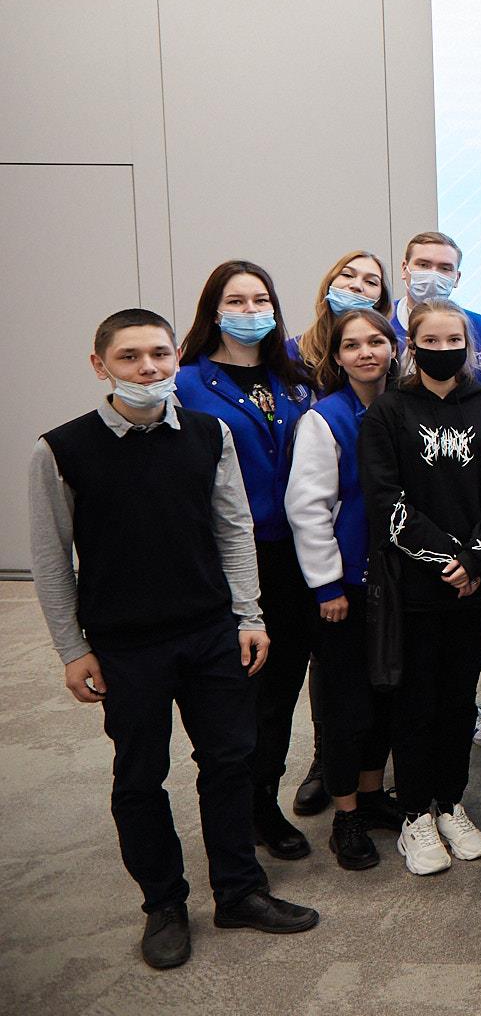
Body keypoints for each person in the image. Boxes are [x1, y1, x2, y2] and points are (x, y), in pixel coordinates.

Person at [28, 309, 321, 969]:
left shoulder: (209, 434)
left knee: (230, 762)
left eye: (159, 354)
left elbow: (233, 528)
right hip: (125, 645)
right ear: (99, 365)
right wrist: (73, 649)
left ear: (175, 358)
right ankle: (163, 904)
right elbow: (50, 560)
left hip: (210, 631)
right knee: (140, 776)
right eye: (129, 357)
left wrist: (249, 615)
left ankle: (239, 891)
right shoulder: (62, 450)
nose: (148, 369)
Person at [358, 298, 481, 876]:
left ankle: (451, 802)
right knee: (416, 702)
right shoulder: (388, 412)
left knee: (458, 699)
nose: (444, 349)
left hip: (474, 589)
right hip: (416, 589)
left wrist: (474, 561)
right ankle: (414, 814)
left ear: (469, 347)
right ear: (412, 345)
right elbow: (387, 501)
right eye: (432, 340)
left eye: (455, 341)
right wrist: (446, 560)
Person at [174, 260, 318, 861]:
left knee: (281, 688)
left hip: (294, 554)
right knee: (237, 691)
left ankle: (264, 801)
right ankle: (235, 809)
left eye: (261, 300)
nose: (250, 311)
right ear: (213, 310)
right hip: (228, 555)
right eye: (236, 301)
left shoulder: (297, 379)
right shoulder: (185, 382)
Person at [286, 307, 407, 869]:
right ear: (337, 356)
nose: (366, 353)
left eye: (376, 341)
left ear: (392, 347)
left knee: (385, 698)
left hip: (395, 583)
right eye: (353, 345)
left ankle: (372, 794)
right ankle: (346, 815)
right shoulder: (325, 419)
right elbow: (308, 510)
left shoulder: (402, 409)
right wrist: (326, 585)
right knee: (345, 706)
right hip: (346, 589)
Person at [392, 230, 481, 379]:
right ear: (404, 269)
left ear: (457, 278)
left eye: (445, 268)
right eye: (423, 265)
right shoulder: (381, 323)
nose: (433, 275)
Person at [293, 249, 391, 375]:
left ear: (380, 301)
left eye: (371, 282)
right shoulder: (292, 351)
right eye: (347, 275)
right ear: (329, 283)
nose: (356, 285)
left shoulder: (389, 353)